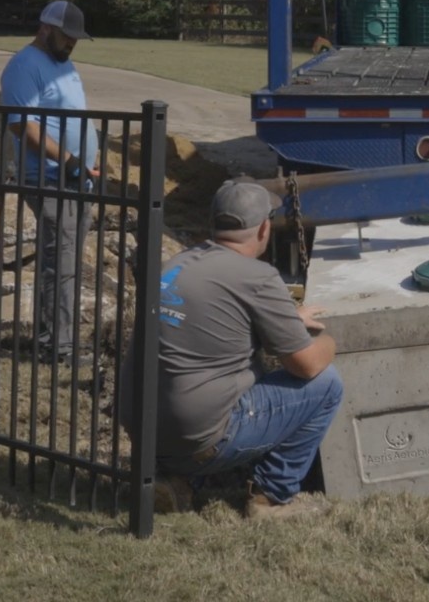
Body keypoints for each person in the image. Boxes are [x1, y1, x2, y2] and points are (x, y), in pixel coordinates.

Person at [121, 180, 342, 520]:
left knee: (199, 384)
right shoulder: (256, 276)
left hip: (145, 430)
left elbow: (217, 321)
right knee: (326, 384)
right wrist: (332, 340)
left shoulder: (178, 263)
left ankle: (172, 480)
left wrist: (286, 318)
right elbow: (307, 366)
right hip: (198, 438)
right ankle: (272, 496)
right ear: (265, 228)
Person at [0, 0, 100, 366]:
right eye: (67, 35)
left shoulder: (63, 64)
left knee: (67, 261)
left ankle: (58, 338)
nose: (72, 42)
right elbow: (20, 124)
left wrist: (90, 158)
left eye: (76, 38)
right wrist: (68, 159)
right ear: (46, 28)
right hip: (49, 177)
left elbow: (75, 115)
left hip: (76, 178)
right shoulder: (24, 66)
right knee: (61, 263)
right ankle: (57, 347)